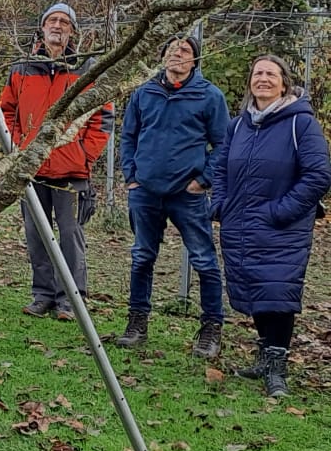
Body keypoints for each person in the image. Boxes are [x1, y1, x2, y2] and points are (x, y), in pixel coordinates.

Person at [211, 54, 331, 399]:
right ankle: (264, 357)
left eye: (270, 74)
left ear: (284, 82)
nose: (262, 79)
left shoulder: (300, 124)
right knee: (255, 289)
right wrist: (220, 205)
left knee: (278, 292)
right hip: (240, 224)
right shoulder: (238, 126)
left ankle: (278, 367)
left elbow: (318, 175)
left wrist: (280, 211)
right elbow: (220, 169)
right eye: (257, 73)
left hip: (283, 227)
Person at [0, 3, 112, 322]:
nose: (58, 26)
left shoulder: (86, 68)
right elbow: (7, 110)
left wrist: (84, 154)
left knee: (69, 235)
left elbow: (103, 116)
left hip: (70, 170)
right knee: (36, 234)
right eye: (52, 20)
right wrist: (17, 145)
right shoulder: (23, 67)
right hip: (31, 167)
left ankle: (71, 299)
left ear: (73, 31)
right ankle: (43, 294)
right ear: (42, 27)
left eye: (64, 22)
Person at [117, 34, 230, 355]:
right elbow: (128, 136)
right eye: (171, 49)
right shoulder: (144, 93)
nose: (177, 54)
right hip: (145, 192)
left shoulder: (209, 96)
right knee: (142, 258)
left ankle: (211, 329)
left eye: (185, 50)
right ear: (162, 56)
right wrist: (131, 177)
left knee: (204, 261)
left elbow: (223, 144)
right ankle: (137, 324)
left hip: (188, 195)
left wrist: (204, 180)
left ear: (195, 60)